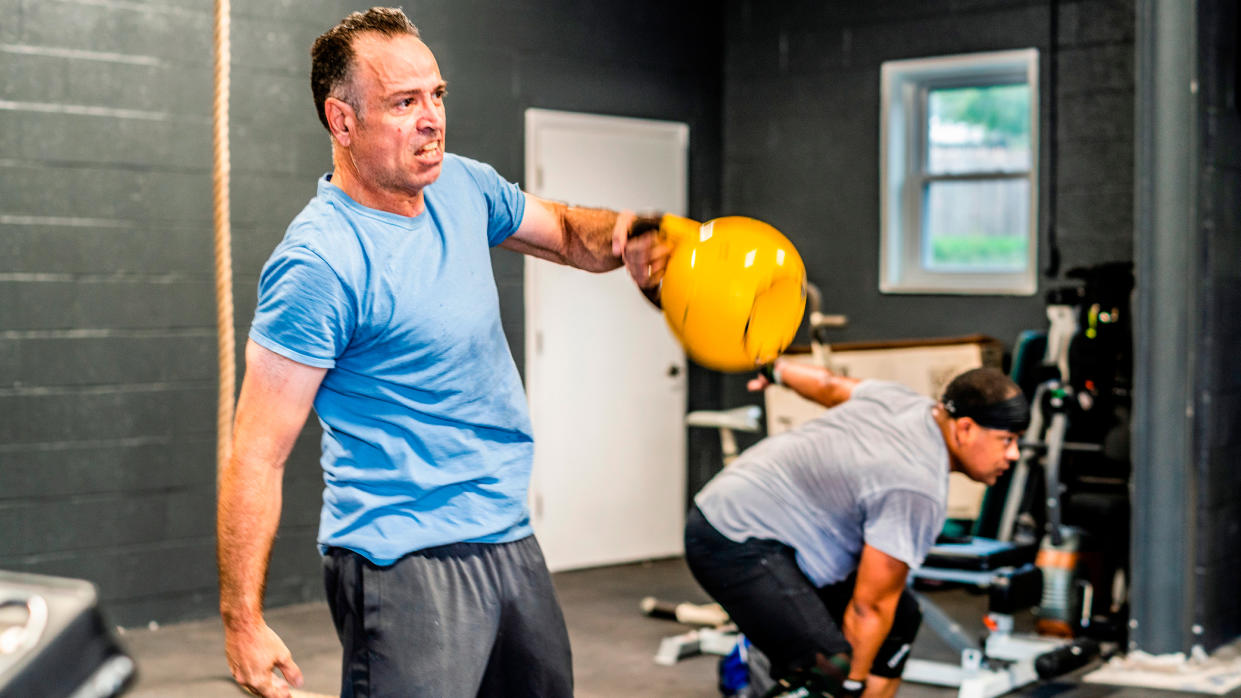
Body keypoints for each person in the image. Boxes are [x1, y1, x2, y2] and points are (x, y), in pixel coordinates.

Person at [216, 8, 670, 698]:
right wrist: (241, 620)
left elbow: (570, 234)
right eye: (404, 102)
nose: (432, 118)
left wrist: (633, 234)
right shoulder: (321, 263)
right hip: (401, 557)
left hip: (506, 532)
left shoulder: (461, 186)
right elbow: (257, 452)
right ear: (342, 122)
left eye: (437, 95)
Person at [685, 362, 1030, 698]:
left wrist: (776, 371)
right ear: (966, 429)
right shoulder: (916, 486)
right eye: (1007, 439)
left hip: (761, 518)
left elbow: (828, 385)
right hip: (731, 536)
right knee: (828, 671)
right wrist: (851, 684)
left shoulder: (900, 400)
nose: (1014, 454)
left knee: (901, 619)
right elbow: (870, 607)